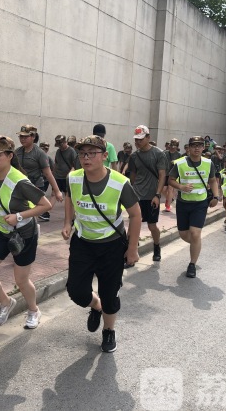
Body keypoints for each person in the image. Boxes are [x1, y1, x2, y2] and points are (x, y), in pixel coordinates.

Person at [62, 135, 140, 353]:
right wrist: (67, 222)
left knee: (110, 293)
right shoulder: (73, 178)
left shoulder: (120, 183)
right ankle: (96, 306)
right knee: (76, 291)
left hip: (112, 245)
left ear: (105, 156)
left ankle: (108, 330)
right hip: (83, 242)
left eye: (91, 153)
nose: (86, 158)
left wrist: (132, 248)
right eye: (82, 153)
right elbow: (69, 198)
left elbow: (135, 215)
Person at [0, 136, 52, 329]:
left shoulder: (19, 181)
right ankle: (6, 302)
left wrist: (18, 216)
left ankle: (33, 310)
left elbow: (45, 205)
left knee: (21, 280)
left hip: (24, 234)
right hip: (2, 231)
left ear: (10, 156)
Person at [168, 136, 219, 278]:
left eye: (199, 145)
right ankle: (197, 245)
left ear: (203, 148)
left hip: (200, 203)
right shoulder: (179, 163)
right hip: (183, 203)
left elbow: (213, 181)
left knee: (195, 233)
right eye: (193, 145)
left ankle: (192, 265)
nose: (197, 148)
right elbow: (170, 180)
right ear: (188, 148)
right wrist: (181, 187)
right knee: (184, 234)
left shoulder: (208, 163)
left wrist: (216, 197)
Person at [127, 125, 166, 264]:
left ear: (148, 138)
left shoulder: (159, 154)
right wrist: (131, 193)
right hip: (137, 195)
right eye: (136, 140)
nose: (137, 142)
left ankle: (156, 246)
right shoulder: (134, 156)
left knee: (152, 226)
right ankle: (130, 254)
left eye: (140, 139)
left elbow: (162, 175)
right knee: (132, 226)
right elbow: (133, 175)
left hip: (151, 196)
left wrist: (157, 195)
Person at [15, 125, 63, 222]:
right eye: (21, 136)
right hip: (21, 186)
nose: (22, 139)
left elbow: (48, 173)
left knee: (31, 214)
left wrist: (57, 191)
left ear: (33, 137)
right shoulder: (17, 152)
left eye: (25, 136)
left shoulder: (40, 153)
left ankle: (32, 229)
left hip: (35, 186)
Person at [52, 135, 78, 203]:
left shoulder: (71, 151)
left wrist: (70, 174)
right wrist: (53, 174)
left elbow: (75, 164)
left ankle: (69, 207)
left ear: (65, 142)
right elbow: (56, 163)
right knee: (54, 194)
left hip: (66, 177)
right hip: (57, 176)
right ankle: (48, 209)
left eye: (61, 145)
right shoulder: (58, 151)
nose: (60, 147)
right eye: (58, 146)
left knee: (68, 195)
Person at [163, 138, 182, 211]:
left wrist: (175, 162)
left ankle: (168, 206)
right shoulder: (165, 153)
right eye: (172, 144)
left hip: (173, 174)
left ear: (177, 146)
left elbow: (181, 164)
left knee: (170, 189)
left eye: (175, 145)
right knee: (163, 189)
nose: (173, 146)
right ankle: (170, 199)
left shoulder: (179, 155)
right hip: (165, 173)